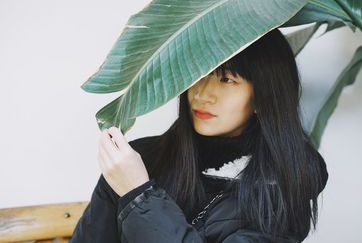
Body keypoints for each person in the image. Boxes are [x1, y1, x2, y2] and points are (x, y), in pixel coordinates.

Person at [70, 28, 328, 242]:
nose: (202, 94)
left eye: (227, 80)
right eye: (199, 74)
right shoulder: (138, 161)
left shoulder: (284, 184)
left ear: (264, 95)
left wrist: (139, 195)